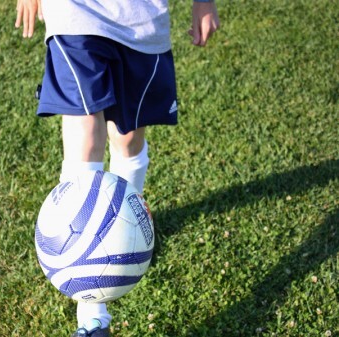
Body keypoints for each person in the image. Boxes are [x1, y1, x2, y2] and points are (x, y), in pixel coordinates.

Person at [15, 1, 220, 336]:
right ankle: (92, 310)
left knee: (126, 140)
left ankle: (128, 226)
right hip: (74, 11)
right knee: (85, 135)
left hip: (140, 19)